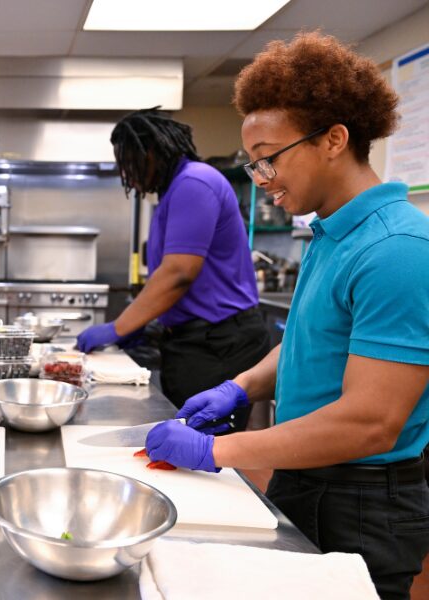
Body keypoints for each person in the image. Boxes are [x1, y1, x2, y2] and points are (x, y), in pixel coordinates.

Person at [144, 32, 429, 600]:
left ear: (334, 139)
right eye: (254, 166)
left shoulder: (398, 249)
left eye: (269, 159)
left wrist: (216, 451)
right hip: (307, 477)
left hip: (364, 500)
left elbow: (370, 422)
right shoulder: (328, 233)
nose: (264, 179)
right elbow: (308, 341)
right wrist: (240, 385)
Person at [76, 108, 270, 417]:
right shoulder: (176, 190)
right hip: (199, 340)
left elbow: (178, 273)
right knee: (187, 439)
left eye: (130, 163)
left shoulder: (194, 182)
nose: (128, 176)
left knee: (205, 446)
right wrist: (147, 323)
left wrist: (119, 326)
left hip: (218, 343)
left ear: (152, 152)